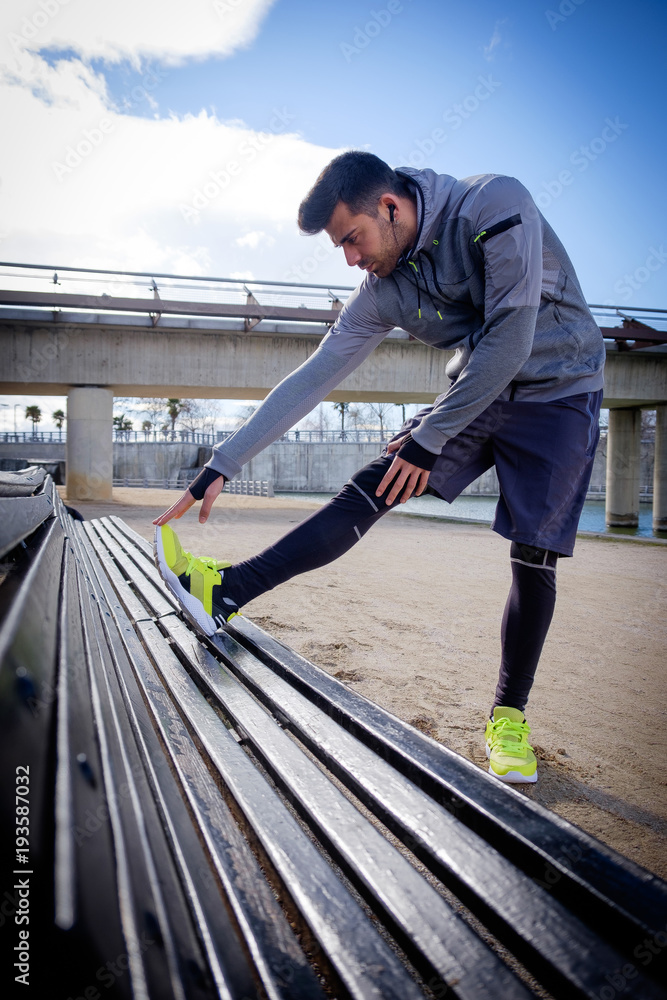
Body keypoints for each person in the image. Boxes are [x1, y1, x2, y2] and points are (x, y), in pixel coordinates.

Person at [153, 151, 605, 784]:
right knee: (375, 483)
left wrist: (430, 438)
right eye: (340, 247)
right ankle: (224, 592)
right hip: (479, 391)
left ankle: (508, 715)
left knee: (533, 556)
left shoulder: (495, 205)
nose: (351, 259)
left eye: (352, 239)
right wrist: (223, 461)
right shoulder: (383, 288)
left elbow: (511, 337)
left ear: (391, 207)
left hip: (561, 388)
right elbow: (315, 374)